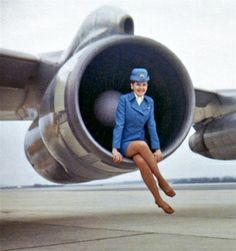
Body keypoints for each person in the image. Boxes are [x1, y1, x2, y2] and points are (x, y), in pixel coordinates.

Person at [112, 68, 175, 214]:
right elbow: (119, 123)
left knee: (141, 162)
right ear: (132, 85)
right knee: (141, 145)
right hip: (126, 143)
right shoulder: (124, 100)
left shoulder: (149, 102)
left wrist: (157, 148)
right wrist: (115, 148)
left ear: (147, 86)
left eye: (144, 84)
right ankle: (161, 180)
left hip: (141, 141)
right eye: (138, 84)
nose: (141, 88)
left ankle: (158, 199)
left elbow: (151, 124)